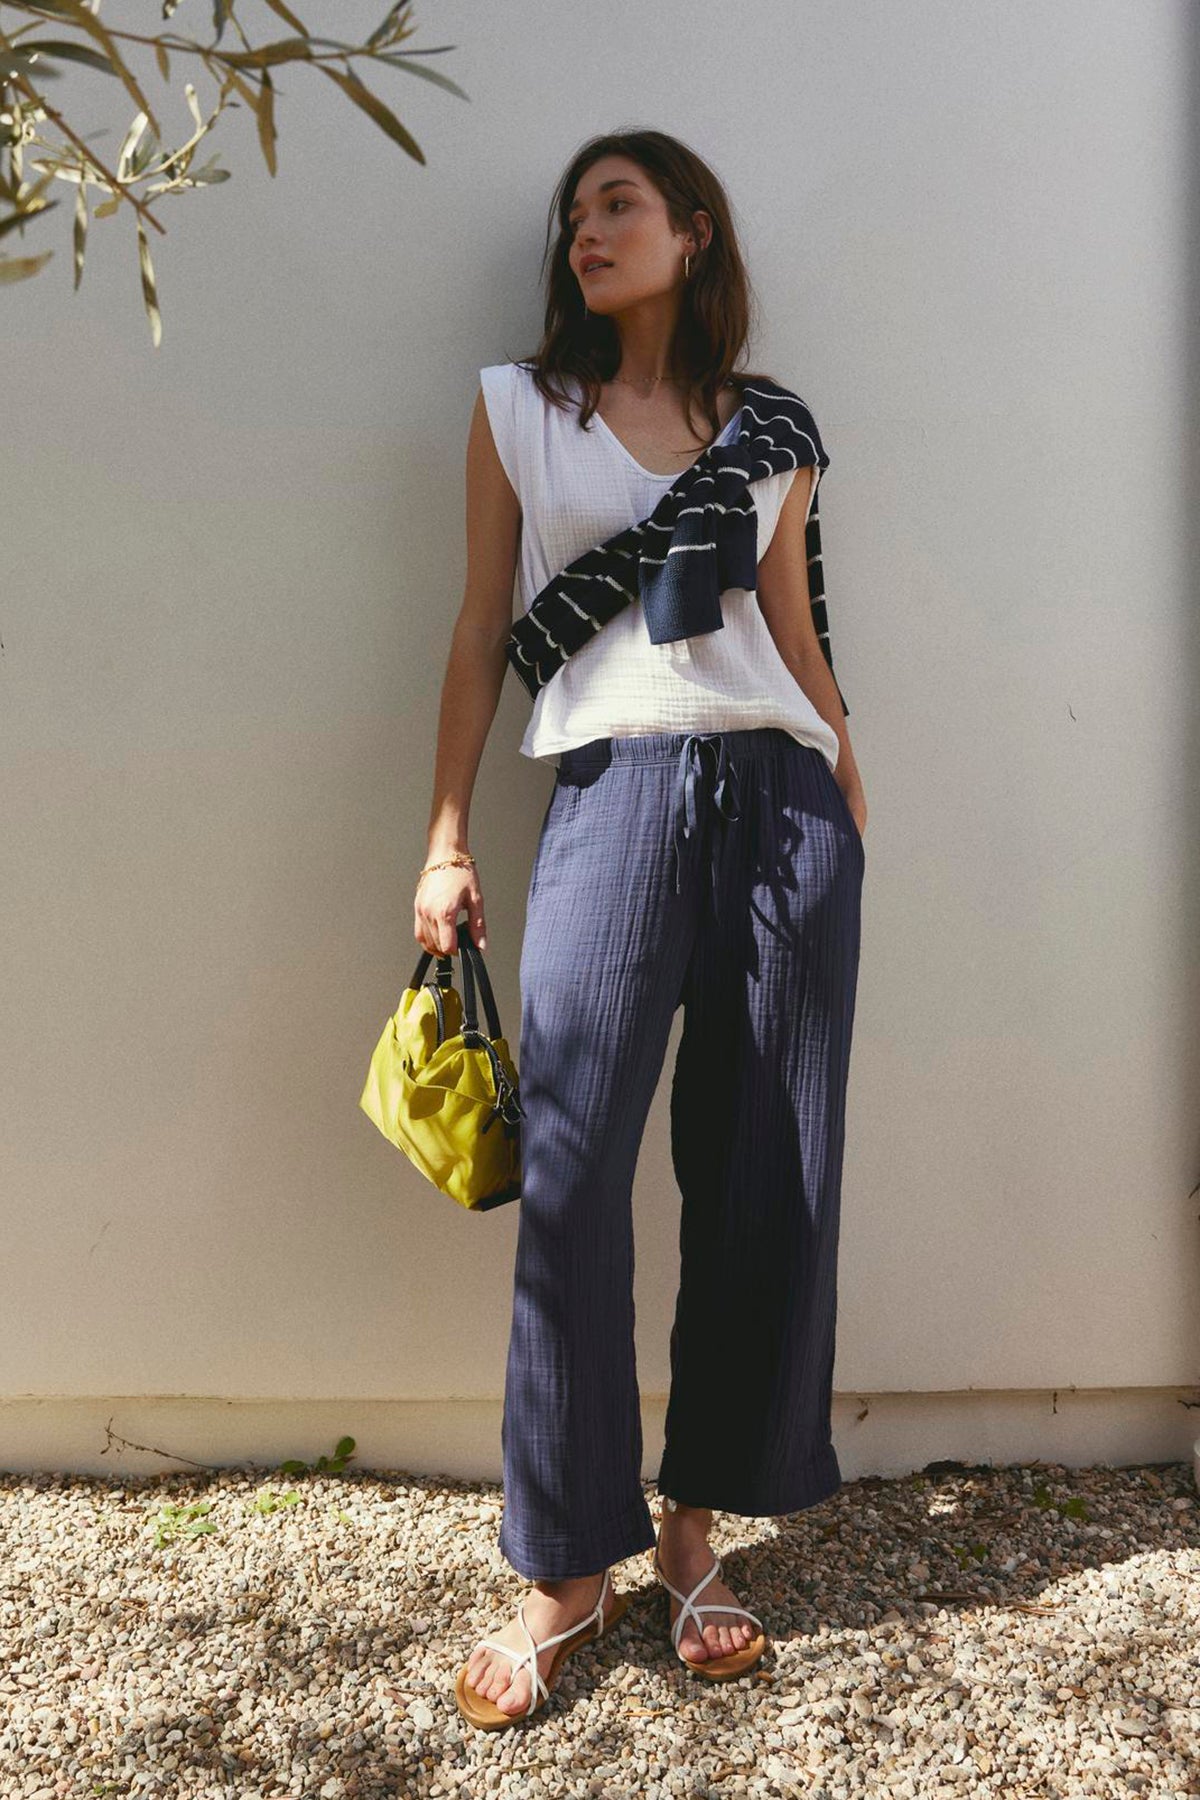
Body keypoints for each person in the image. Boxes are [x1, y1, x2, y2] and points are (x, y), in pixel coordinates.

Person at [415, 129, 867, 1726]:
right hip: (609, 787)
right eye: (575, 214)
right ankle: (565, 1564)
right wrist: (449, 836)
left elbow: (795, 631)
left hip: (782, 804)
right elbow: (481, 629)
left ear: (690, 229)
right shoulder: (519, 411)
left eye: (619, 204)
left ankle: (693, 1532)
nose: (587, 231)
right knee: (575, 1175)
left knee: (766, 1174)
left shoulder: (773, 428)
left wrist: (848, 788)